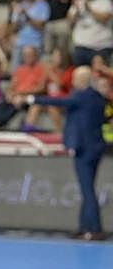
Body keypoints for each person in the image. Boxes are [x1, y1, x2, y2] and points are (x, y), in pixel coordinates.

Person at [22, 66, 109, 240]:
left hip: (84, 149)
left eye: (76, 79)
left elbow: (60, 102)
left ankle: (95, 228)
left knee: (87, 190)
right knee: (88, 188)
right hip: (96, 148)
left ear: (81, 81)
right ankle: (84, 226)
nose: (73, 82)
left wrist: (32, 99)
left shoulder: (80, 97)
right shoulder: (99, 98)